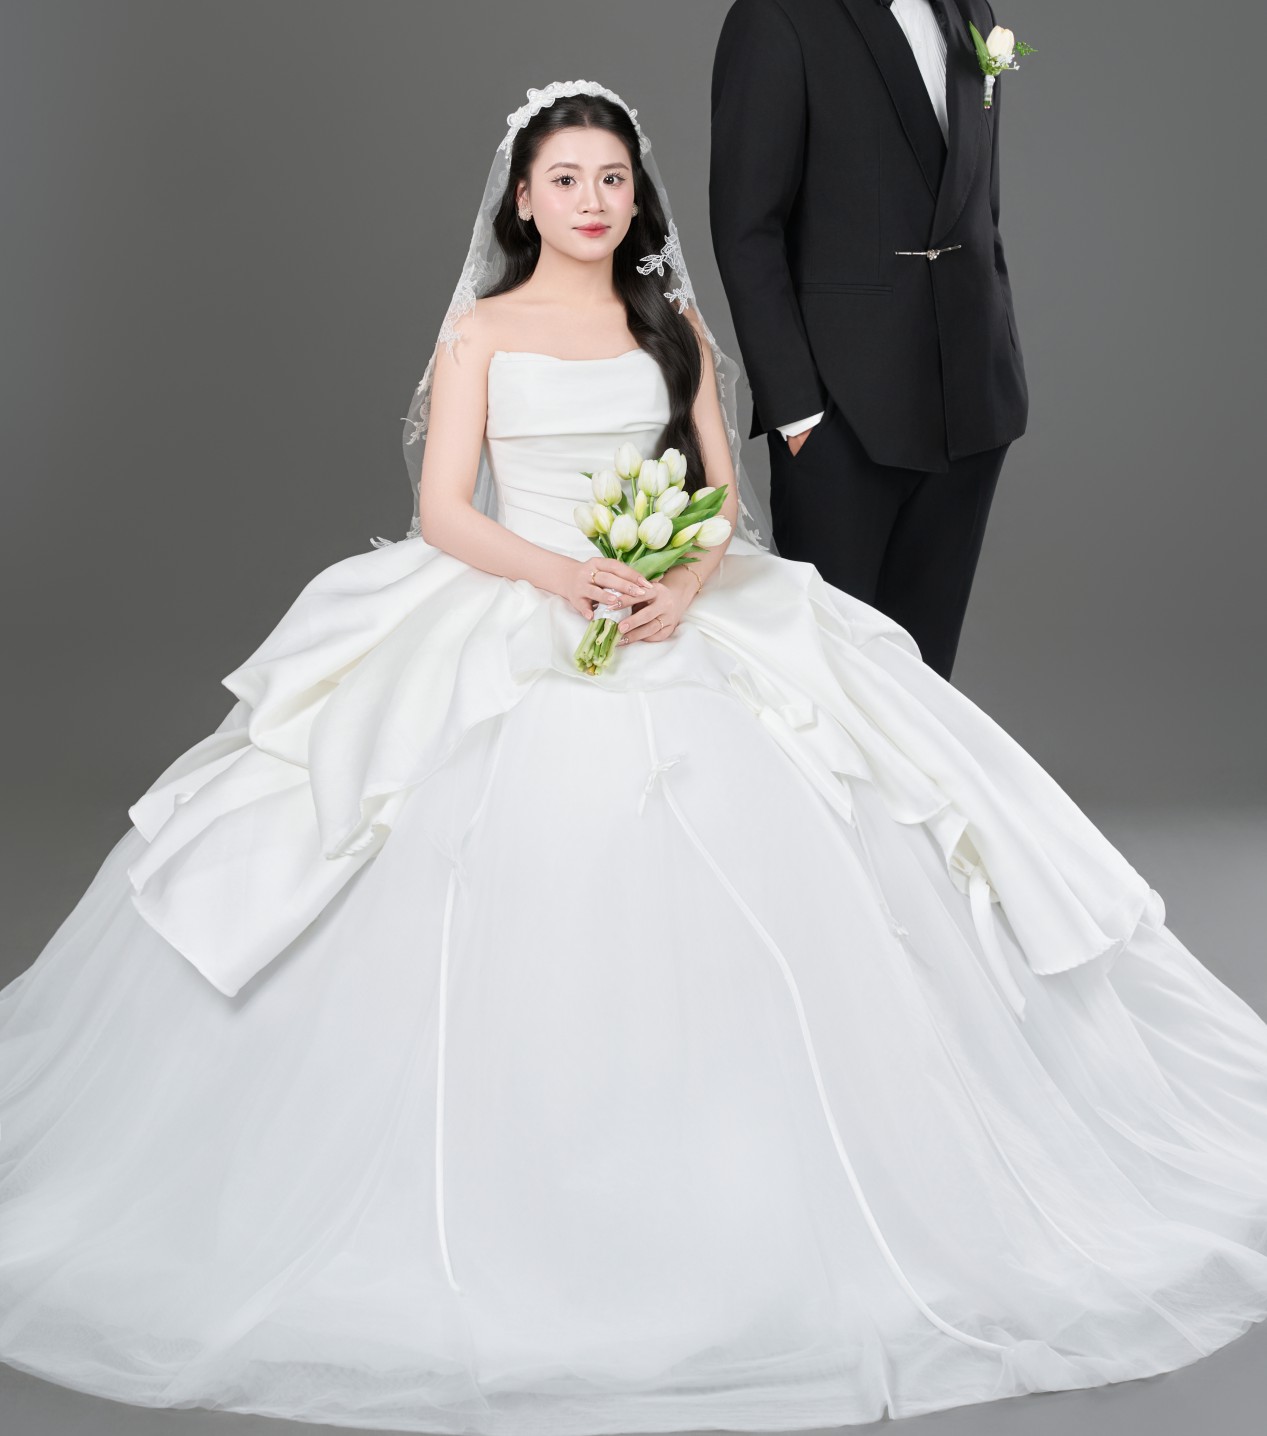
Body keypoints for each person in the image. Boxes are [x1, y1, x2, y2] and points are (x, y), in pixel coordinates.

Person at [1, 81, 1265, 1435]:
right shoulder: (482, 329)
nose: (592, 201)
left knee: (841, 794)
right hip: (522, 584)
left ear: (634, 195)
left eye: (612, 179)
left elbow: (718, 493)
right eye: (566, 180)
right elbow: (443, 510)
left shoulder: (670, 326)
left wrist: (678, 580)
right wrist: (565, 576)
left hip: (664, 593)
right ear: (522, 198)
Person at [710, 0, 1028, 679]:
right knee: (832, 681)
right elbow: (747, 229)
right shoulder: (774, 18)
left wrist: (1000, 363)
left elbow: (977, 210)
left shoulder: (970, 11)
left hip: (971, 402)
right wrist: (797, 413)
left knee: (925, 680)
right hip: (839, 414)